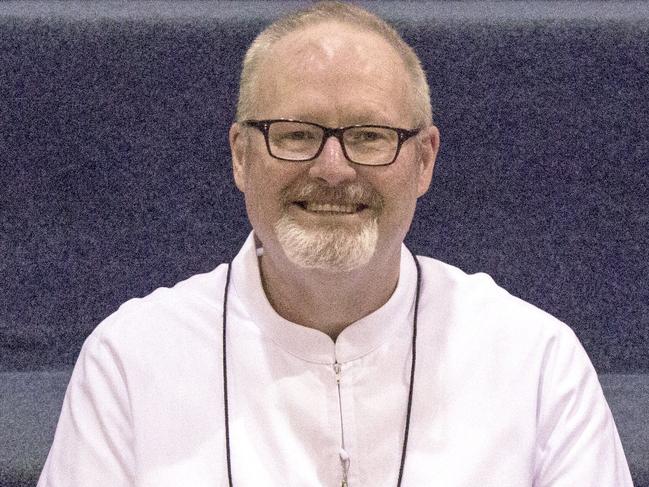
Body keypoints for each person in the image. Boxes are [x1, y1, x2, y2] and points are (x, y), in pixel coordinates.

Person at [38, 2, 633, 486]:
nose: (333, 168)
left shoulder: (533, 362)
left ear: (424, 160)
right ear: (241, 156)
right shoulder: (132, 360)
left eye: (369, 136)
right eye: (295, 134)